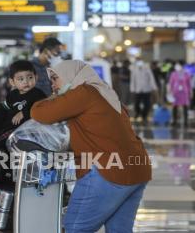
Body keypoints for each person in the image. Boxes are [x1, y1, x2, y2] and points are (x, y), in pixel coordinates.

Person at [30, 60, 151, 233]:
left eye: (56, 79)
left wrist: (55, 95)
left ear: (71, 76)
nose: (53, 84)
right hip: (137, 167)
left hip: (110, 170)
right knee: (119, 230)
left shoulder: (84, 92)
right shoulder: (105, 92)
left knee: (75, 227)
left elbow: (40, 112)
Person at [0, 60, 47, 155]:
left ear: (36, 77)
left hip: (24, 133)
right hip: (7, 129)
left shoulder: (38, 94)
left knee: (10, 134)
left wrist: (24, 113)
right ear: (12, 82)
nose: (26, 81)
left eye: (30, 77)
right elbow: (1, 111)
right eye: (20, 79)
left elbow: (43, 109)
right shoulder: (11, 95)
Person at [130, 60, 157, 124]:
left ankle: (144, 116)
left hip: (146, 90)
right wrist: (132, 89)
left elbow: (151, 79)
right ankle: (138, 112)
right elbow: (133, 80)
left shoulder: (147, 70)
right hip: (138, 90)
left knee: (147, 104)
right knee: (136, 104)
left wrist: (154, 88)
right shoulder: (134, 71)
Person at [168, 61, 192, 127]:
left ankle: (186, 121)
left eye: (178, 65)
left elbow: (189, 84)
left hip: (184, 92)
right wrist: (170, 91)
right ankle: (174, 121)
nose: (177, 66)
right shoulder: (173, 74)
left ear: (181, 66)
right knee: (175, 107)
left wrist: (190, 92)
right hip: (176, 92)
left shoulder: (187, 74)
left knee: (185, 107)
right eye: (176, 65)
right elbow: (171, 83)